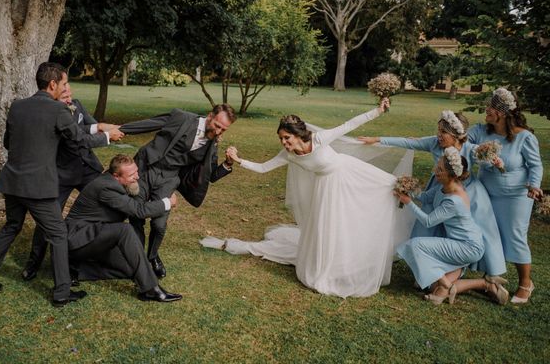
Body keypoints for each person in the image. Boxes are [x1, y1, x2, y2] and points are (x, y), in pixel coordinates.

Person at [216, 98, 411, 298]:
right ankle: (331, 264)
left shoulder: (318, 139)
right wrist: (239, 161)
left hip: (349, 174)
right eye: (281, 139)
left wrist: (378, 111)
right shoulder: (288, 155)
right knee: (329, 225)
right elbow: (264, 168)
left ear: (298, 135)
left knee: (384, 190)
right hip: (326, 189)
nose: (284, 143)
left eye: (287, 138)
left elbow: (349, 124)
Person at [0, 62, 121, 307]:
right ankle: (61, 293)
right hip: (38, 187)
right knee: (58, 234)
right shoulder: (58, 111)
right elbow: (80, 140)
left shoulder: (17, 106)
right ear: (53, 84)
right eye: (64, 82)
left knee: (11, 227)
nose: (65, 87)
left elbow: (8, 142)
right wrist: (106, 136)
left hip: (12, 182)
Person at [358, 110, 507, 282]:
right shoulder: (434, 144)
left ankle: (484, 271)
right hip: (438, 189)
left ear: (456, 135)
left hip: (467, 193)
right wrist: (377, 139)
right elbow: (408, 142)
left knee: (473, 229)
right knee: (427, 227)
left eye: (444, 132)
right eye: (438, 131)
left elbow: (489, 161)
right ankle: (427, 268)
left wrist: (497, 163)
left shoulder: (470, 149)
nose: (439, 136)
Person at [120, 104, 236, 278]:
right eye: (217, 126)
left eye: (223, 129)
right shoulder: (182, 118)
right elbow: (152, 123)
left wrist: (228, 164)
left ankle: (152, 256)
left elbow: (210, 176)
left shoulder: (212, 145)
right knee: (136, 217)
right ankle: (137, 260)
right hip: (146, 168)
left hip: (169, 178)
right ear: (210, 116)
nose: (219, 132)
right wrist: (120, 129)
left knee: (159, 224)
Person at [21, 83, 121, 282]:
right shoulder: (50, 114)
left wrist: (99, 126)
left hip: (87, 169)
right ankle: (34, 262)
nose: (69, 98)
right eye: (64, 94)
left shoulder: (76, 105)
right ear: (54, 96)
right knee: (48, 219)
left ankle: (95, 255)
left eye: (70, 93)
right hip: (62, 173)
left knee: (109, 205)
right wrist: (106, 136)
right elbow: (77, 137)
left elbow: (90, 127)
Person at [66, 155, 181, 302]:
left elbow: (135, 204)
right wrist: (167, 202)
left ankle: (77, 270)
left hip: (98, 235)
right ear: (116, 176)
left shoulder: (119, 184)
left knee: (131, 269)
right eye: (132, 175)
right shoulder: (106, 187)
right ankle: (151, 290)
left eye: (137, 172)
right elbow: (139, 210)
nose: (137, 177)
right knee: (124, 230)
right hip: (78, 240)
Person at [467, 88, 544, 304]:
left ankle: (525, 283)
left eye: (490, 107)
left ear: (501, 112)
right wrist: (482, 150)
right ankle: (490, 279)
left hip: (515, 196)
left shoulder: (524, 137)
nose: (486, 110)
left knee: (515, 236)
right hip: (485, 193)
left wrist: (534, 186)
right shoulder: (481, 131)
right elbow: (462, 141)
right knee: (489, 235)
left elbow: (535, 166)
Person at [395, 148, 486, 305]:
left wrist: (408, 202)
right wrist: (406, 188)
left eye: (439, 170)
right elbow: (424, 197)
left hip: (468, 246)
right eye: (437, 167)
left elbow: (429, 221)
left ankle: (447, 285)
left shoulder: (454, 200)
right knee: (430, 286)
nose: (434, 171)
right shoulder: (442, 186)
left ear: (451, 175)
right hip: (458, 243)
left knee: (414, 245)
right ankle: (485, 284)